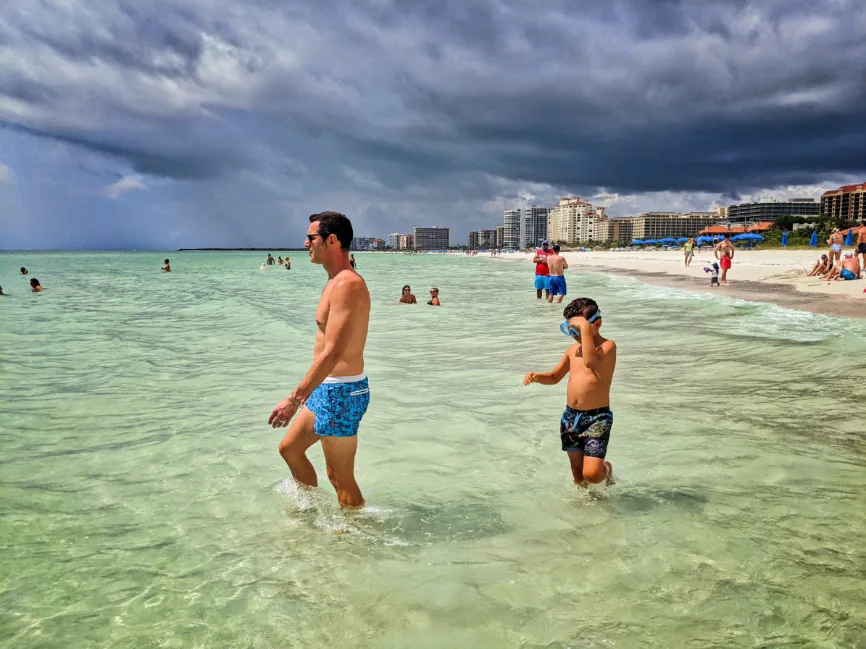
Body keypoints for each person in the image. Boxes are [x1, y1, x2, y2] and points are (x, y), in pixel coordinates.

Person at [269, 211, 372, 509]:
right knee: (290, 449)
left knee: (339, 477)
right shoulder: (335, 281)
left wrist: (293, 398)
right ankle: (310, 512)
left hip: (342, 391)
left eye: (311, 237)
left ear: (332, 240)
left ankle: (354, 537)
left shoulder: (346, 285)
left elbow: (334, 351)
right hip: (327, 388)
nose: (305, 243)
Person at [522, 297, 616, 487]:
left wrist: (585, 330)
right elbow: (555, 376)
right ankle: (586, 504)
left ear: (597, 324)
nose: (574, 334)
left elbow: (591, 361)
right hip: (570, 417)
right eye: (570, 329)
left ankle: (606, 468)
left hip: (597, 417)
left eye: (577, 330)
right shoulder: (572, 350)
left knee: (592, 474)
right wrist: (538, 377)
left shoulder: (607, 347)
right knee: (577, 473)